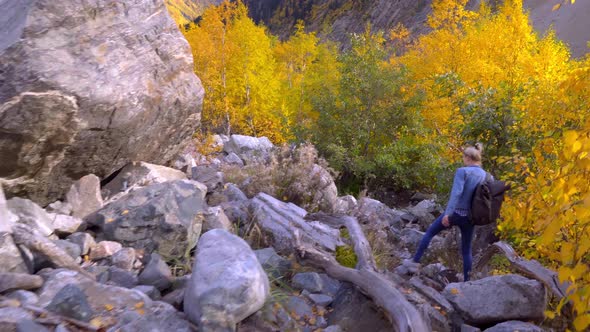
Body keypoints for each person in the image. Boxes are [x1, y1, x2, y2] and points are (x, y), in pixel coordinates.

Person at [407, 143, 487, 282]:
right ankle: (467, 281)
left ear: (467, 157)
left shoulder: (463, 171)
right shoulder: (484, 174)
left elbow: (456, 194)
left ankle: (414, 262)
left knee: (430, 233)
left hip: (456, 213)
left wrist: (447, 214)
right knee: (466, 250)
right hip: (470, 217)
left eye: (463, 156)